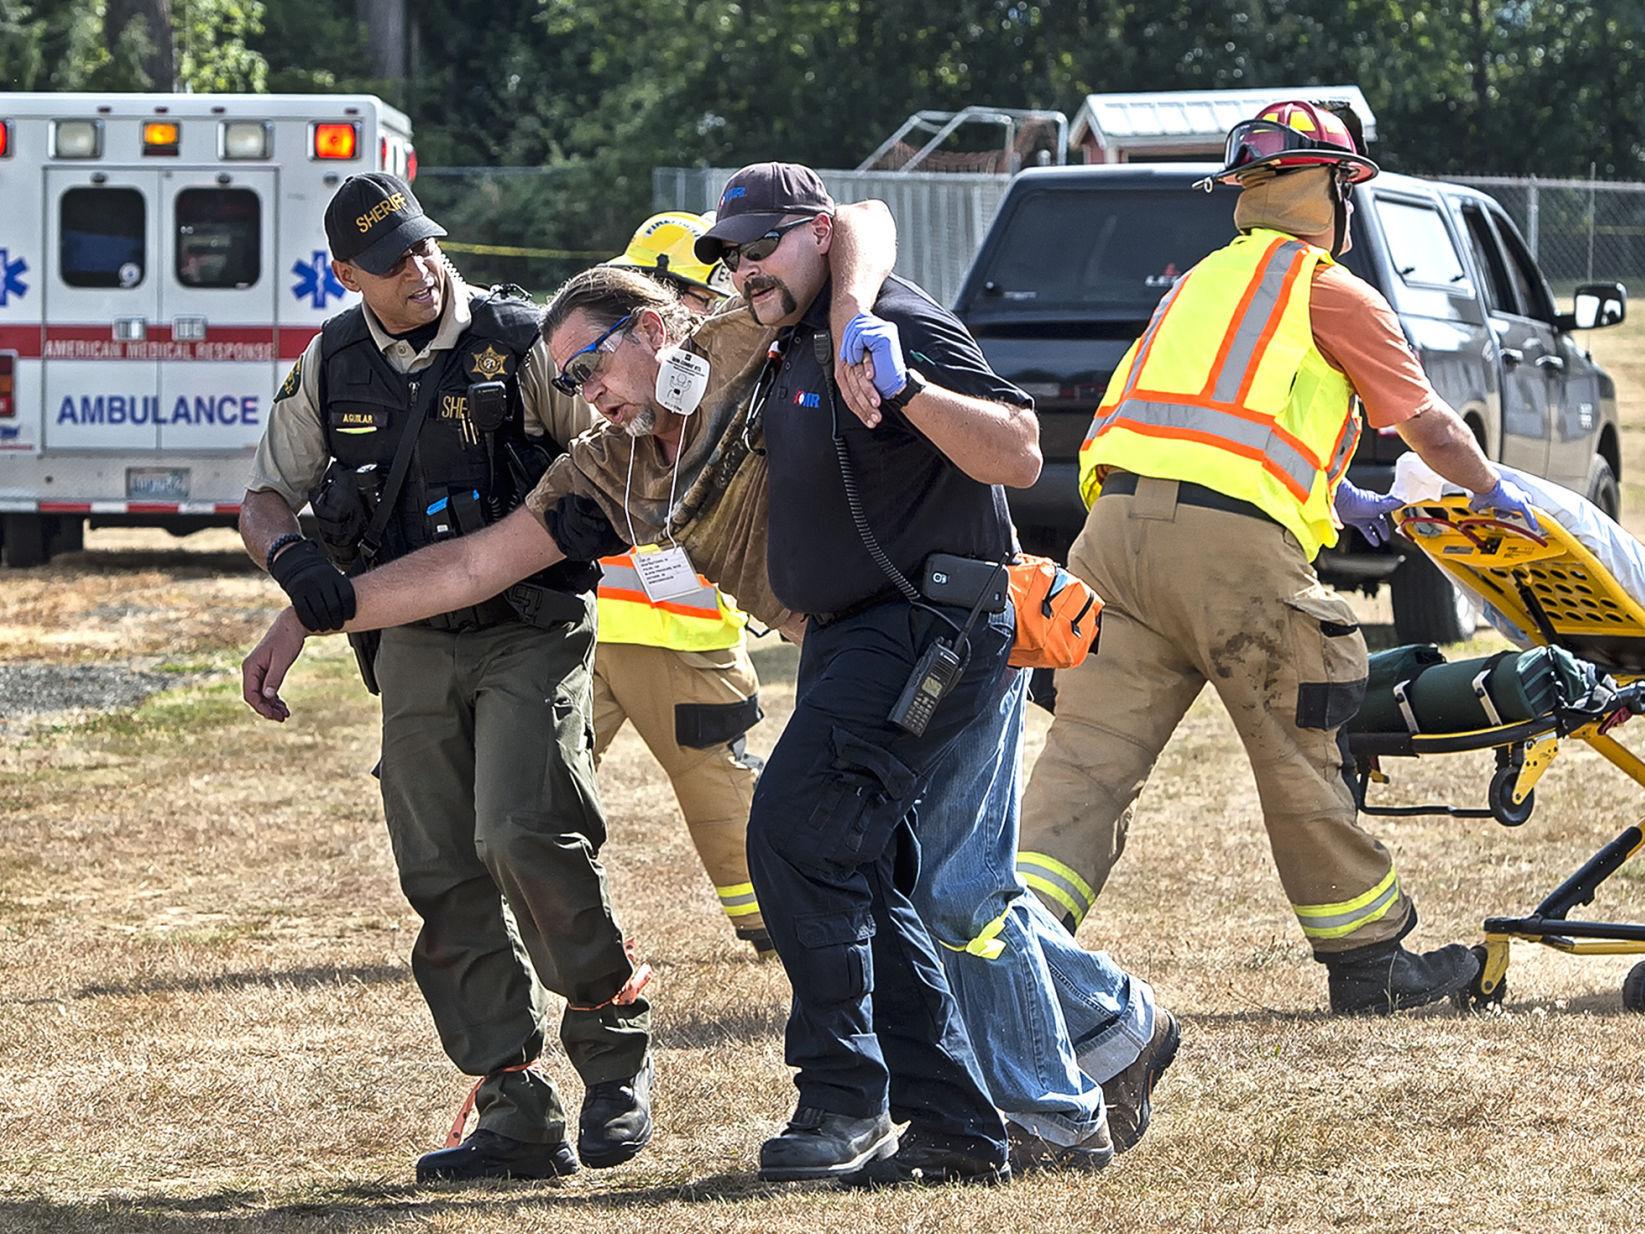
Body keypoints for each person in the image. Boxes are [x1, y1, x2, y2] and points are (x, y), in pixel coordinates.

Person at [240, 171, 1169, 1184]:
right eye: (569, 381)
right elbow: (472, 563)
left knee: (856, 858)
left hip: (939, 623)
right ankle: (1071, 1053)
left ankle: (904, 1101)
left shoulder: (734, 345)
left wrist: (856, 318)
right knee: (915, 879)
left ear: (652, 330)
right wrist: (310, 610)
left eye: (591, 367)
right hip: (854, 647)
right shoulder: (612, 466)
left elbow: (856, 221)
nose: (584, 397)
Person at [1014, 100, 1541, 1015]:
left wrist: (1336, 498)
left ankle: (1012, 949)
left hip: (1113, 541)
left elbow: (1203, 427)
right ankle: (1370, 963)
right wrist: (1492, 491)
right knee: (1300, 748)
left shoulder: (1199, 282)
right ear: (1332, 188)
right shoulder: (1327, 289)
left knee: (1086, 760)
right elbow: (1427, 424)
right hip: (1227, 558)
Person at [237, 172, 652, 1184]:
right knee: (439, 869)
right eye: (392, 262)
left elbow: (623, 445)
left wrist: (601, 509)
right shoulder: (330, 364)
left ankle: (613, 1050)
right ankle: (514, 1111)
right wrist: (289, 563)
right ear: (347, 275)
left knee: (521, 831)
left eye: (424, 245)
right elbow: (265, 495)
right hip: (414, 640)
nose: (420, 269)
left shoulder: (523, 342)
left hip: (532, 624)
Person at [595, 213, 772, 955]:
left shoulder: (593, 372)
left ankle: (498, 911)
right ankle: (772, 919)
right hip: (674, 628)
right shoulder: (702, 379)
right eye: (709, 295)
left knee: (540, 780)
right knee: (720, 784)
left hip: (591, 621)